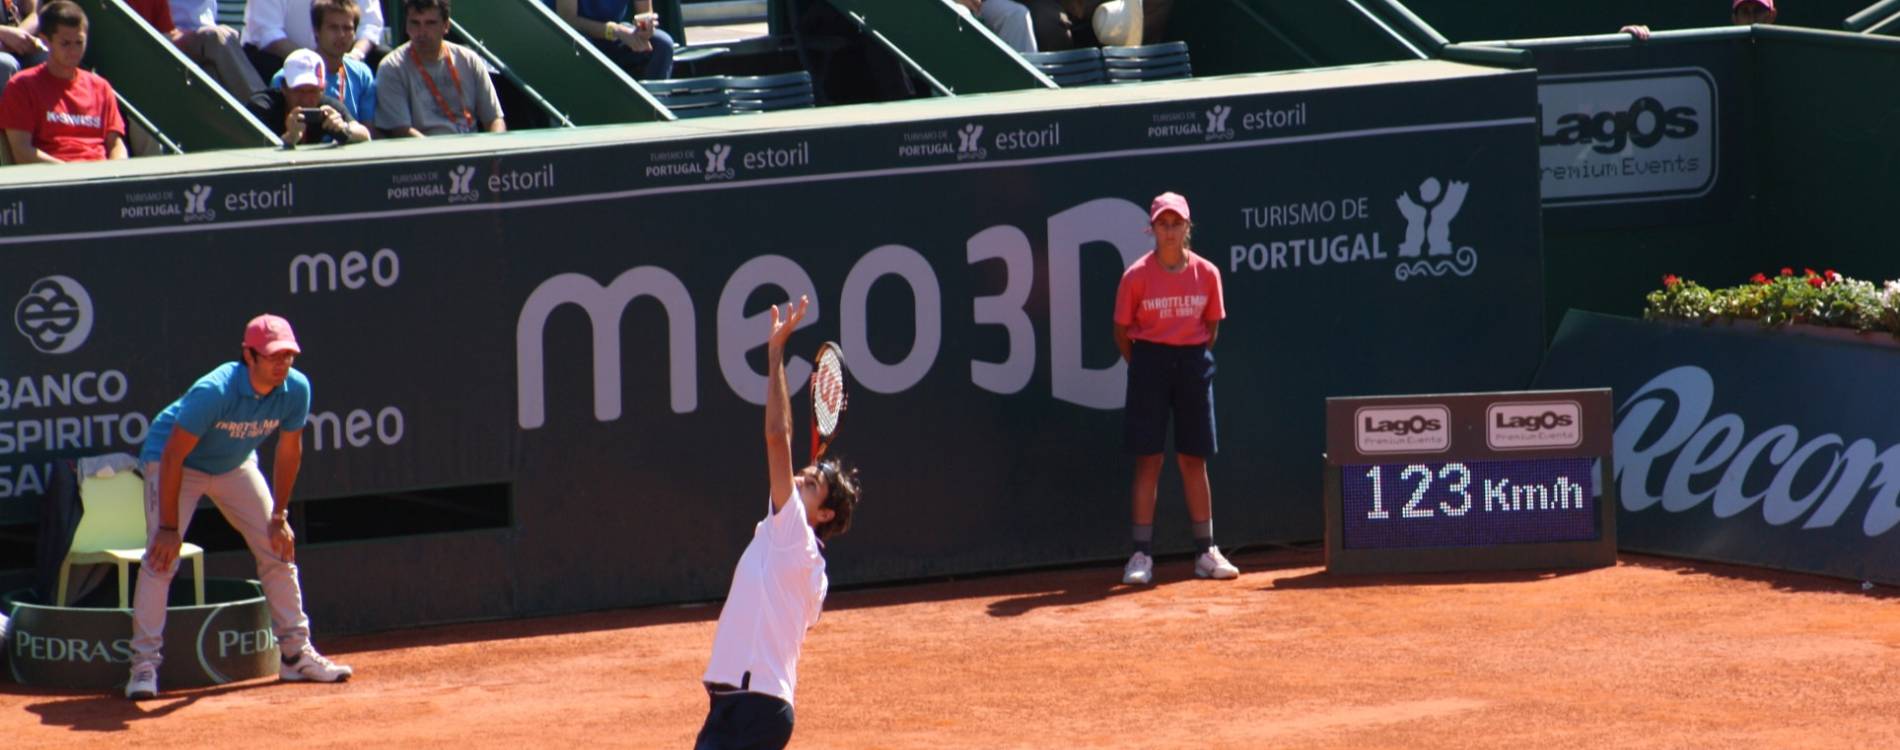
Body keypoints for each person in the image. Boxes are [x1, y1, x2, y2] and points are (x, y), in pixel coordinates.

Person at [125, 314, 353, 700]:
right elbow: (173, 456)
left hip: (235, 464)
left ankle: (295, 655)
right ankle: (143, 666)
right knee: (161, 559)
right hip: (178, 464)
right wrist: (167, 528)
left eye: (288, 356)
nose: (282, 364)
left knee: (277, 547)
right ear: (249, 355)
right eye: (272, 356)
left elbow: (288, 452)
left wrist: (280, 516)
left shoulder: (296, 389)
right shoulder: (213, 392)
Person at [696, 295, 862, 750]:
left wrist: (775, 356)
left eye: (814, 484)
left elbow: (776, 437)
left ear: (823, 515)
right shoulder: (801, 556)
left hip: (754, 707)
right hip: (738, 705)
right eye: (810, 474)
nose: (805, 476)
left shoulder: (794, 538)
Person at [1113, 191, 1238, 585]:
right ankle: (1140, 555)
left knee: (1193, 459)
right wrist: (1148, 363)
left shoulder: (1208, 274)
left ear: (1187, 227)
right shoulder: (1135, 276)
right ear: (1152, 229)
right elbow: (1121, 333)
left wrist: (1186, 358)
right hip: (1148, 363)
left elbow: (1211, 328)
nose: (1169, 232)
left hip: (1192, 364)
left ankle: (1205, 552)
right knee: (1149, 460)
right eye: (1162, 225)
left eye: (1176, 224)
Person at [0, 1, 124, 164]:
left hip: (100, 176)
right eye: (65, 44)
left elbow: (116, 144)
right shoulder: (21, 87)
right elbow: (22, 151)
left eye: (79, 43)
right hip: (51, 180)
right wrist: (70, 173)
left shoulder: (101, 87)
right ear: (45, 42)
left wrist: (114, 172)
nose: (73, 51)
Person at [374, 0, 503, 137]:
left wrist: (495, 151)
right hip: (425, 153)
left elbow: (494, 119)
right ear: (406, 25)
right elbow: (401, 130)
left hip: (472, 149)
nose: (421, 32)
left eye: (430, 23)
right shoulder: (391, 67)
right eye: (415, 23)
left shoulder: (469, 60)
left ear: (446, 26)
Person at [128, 0, 266, 98]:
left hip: (205, 46)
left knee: (213, 71)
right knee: (217, 36)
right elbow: (158, 32)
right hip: (165, 44)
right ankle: (264, 107)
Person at [269, 0, 375, 123]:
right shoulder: (287, 77)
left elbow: (368, 129)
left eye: (347, 28)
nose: (341, 34)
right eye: (333, 27)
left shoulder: (362, 74)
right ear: (316, 31)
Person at [249, 48, 368, 145]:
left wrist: (343, 128)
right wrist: (290, 138)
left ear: (323, 89)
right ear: (284, 88)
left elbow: (365, 134)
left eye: (312, 91)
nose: (305, 99)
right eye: (298, 90)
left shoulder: (327, 107)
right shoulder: (262, 107)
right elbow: (253, 151)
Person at [242, 0, 386, 80]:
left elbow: (370, 26)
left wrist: (355, 56)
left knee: (383, 60)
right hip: (282, 59)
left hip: (343, 58)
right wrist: (311, 61)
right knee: (264, 63)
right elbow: (267, 33)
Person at [547, 0, 673, 81]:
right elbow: (568, 19)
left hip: (614, 36)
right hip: (569, 40)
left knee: (662, 44)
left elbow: (645, 14)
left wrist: (645, 29)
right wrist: (615, 30)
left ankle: (652, 114)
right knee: (583, 49)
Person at [1623, 0, 1776, 39]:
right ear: (1735, 19)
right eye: (1745, 11)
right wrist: (1627, 42)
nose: (1751, 18)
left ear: (1771, 16)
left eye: (1758, 11)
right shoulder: (1722, 54)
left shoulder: (1787, 55)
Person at [0, 0, 47, 99]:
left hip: (16, 43)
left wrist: (19, 36)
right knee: (5, 64)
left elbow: (35, 14)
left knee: (47, 59)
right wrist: (5, 33)